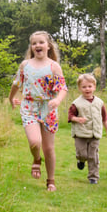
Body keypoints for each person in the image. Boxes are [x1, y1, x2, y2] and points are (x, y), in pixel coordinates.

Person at [8, 31, 68, 191]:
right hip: (29, 107)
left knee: (48, 148)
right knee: (35, 142)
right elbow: (16, 83)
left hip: (48, 109)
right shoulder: (25, 65)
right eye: (34, 43)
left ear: (48, 46)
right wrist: (11, 98)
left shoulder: (54, 67)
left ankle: (51, 181)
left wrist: (57, 100)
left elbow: (62, 88)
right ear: (31, 47)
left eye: (41, 42)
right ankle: (36, 159)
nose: (37, 46)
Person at [68, 73, 107, 185]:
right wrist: (77, 119)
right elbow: (70, 116)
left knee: (93, 156)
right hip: (81, 134)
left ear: (94, 87)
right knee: (82, 154)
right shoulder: (76, 103)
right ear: (79, 88)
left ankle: (93, 177)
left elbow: (104, 117)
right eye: (84, 87)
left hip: (95, 134)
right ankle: (81, 160)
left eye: (89, 86)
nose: (87, 89)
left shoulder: (99, 103)